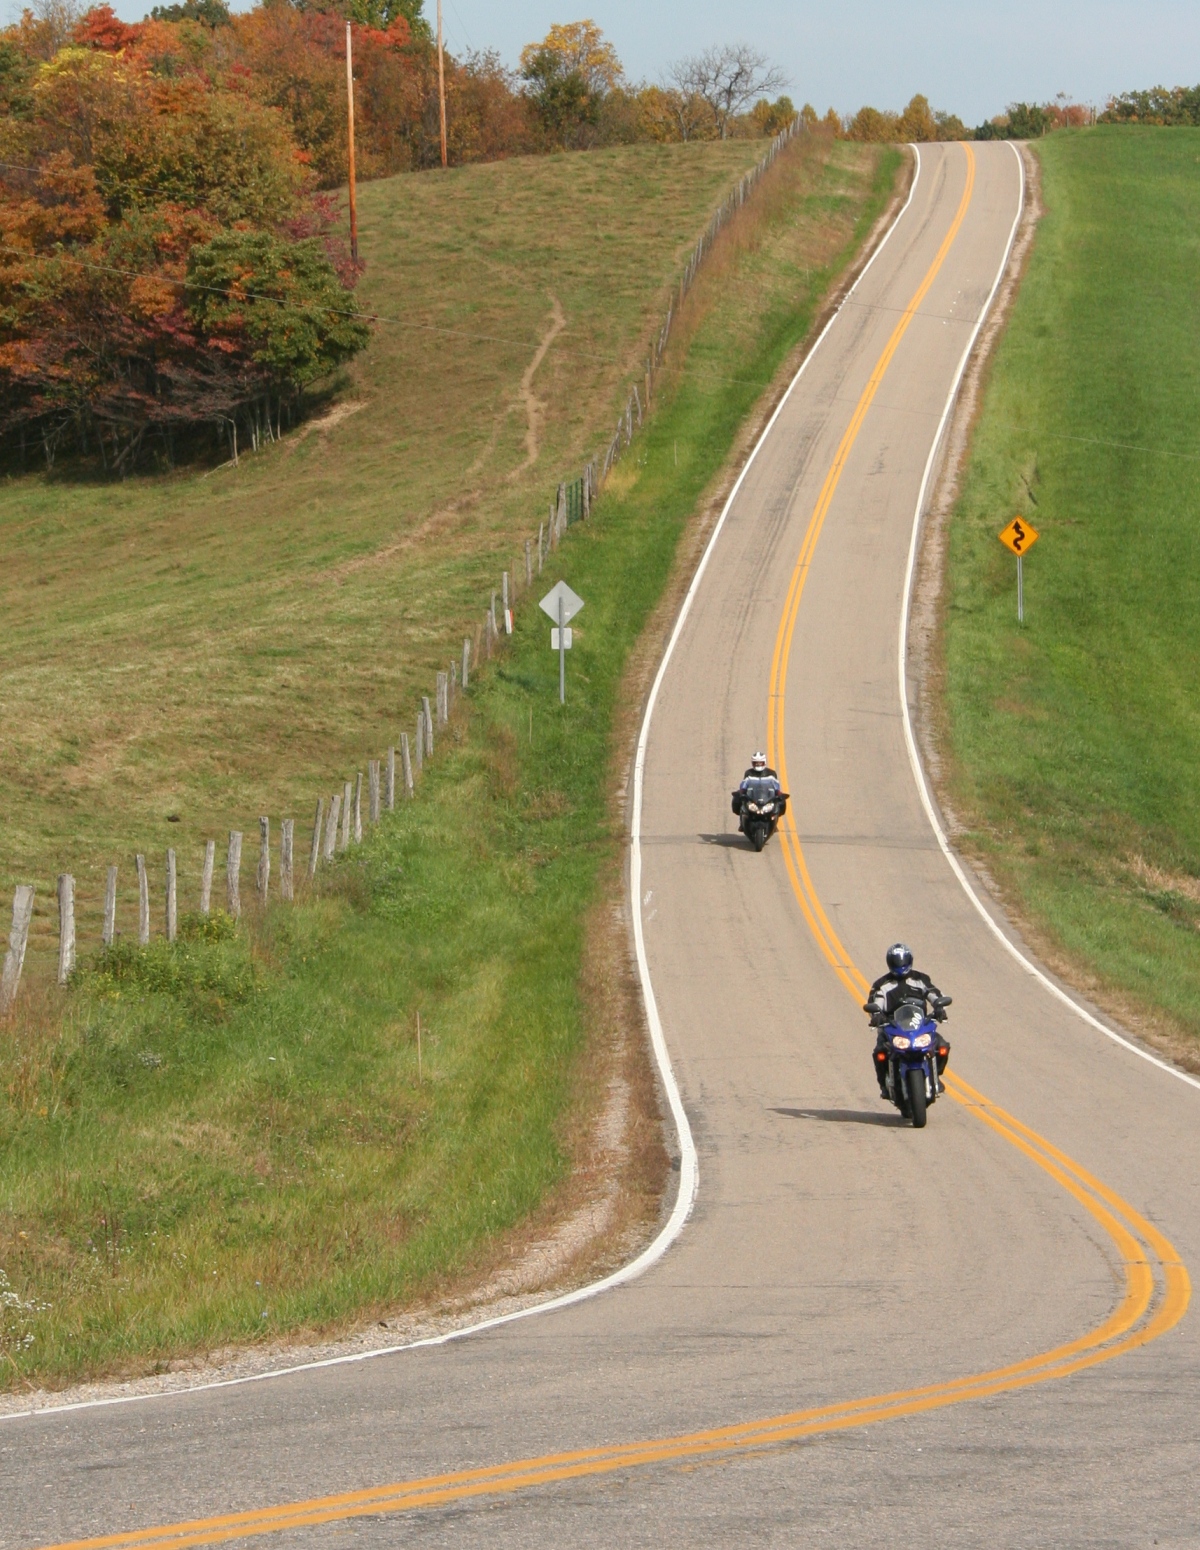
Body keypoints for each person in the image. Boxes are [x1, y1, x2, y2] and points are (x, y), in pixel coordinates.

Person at [863, 942, 951, 1096]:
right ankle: (885, 1086)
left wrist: (939, 1007)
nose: (900, 966)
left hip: (920, 1026)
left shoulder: (921, 979)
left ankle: (935, 1075)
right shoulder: (882, 985)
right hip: (892, 1027)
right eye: (896, 962)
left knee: (942, 1047)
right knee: (880, 1053)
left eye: (902, 961)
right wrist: (876, 1015)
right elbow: (875, 1002)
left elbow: (935, 994)